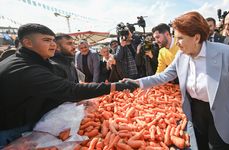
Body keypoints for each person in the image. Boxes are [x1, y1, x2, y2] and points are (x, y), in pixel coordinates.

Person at [124, 11, 229, 150]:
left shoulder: (227, 54)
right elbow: (164, 75)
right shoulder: (181, 55)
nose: (177, 43)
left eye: (180, 38)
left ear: (196, 38)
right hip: (196, 112)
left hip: (222, 115)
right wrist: (137, 83)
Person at [0, 23, 139, 147]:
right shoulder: (27, 68)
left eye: (53, 40)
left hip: (20, 120)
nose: (53, 44)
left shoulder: (29, 61)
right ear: (28, 42)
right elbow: (70, 90)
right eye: (46, 40)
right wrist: (116, 86)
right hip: (9, 128)